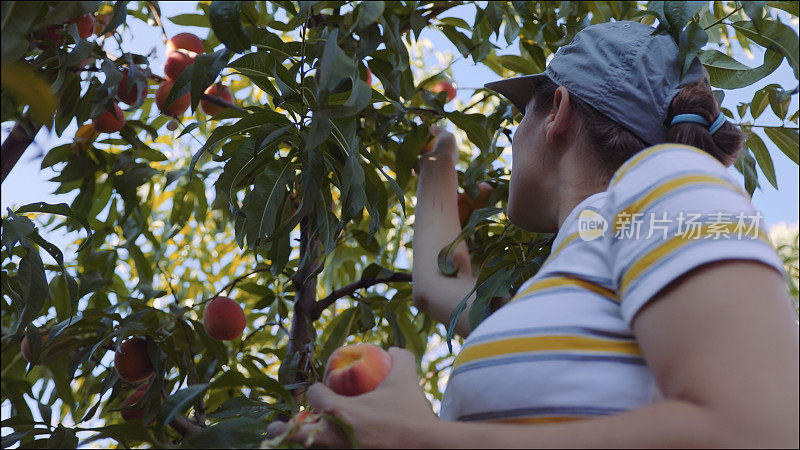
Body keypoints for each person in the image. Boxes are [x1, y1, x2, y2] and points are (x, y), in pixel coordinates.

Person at [267, 20, 799, 448]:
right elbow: (435, 286)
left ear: (559, 111)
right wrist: (438, 156)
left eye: (521, 113)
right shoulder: (565, 284)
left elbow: (761, 431)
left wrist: (420, 439)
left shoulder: (668, 180)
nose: (513, 136)